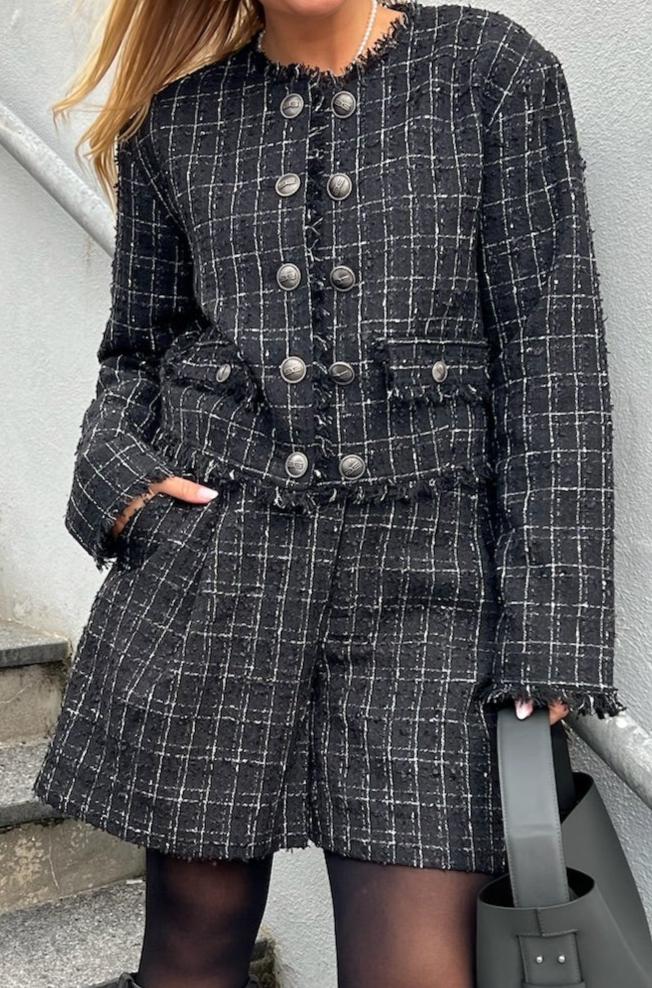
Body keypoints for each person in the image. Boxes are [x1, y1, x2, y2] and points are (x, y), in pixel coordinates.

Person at [32, 1, 626, 986]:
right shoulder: (176, 120)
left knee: (413, 966)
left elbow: (553, 357)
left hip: (431, 592)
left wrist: (552, 630)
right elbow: (136, 352)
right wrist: (118, 480)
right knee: (189, 953)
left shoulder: (491, 74)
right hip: (217, 576)